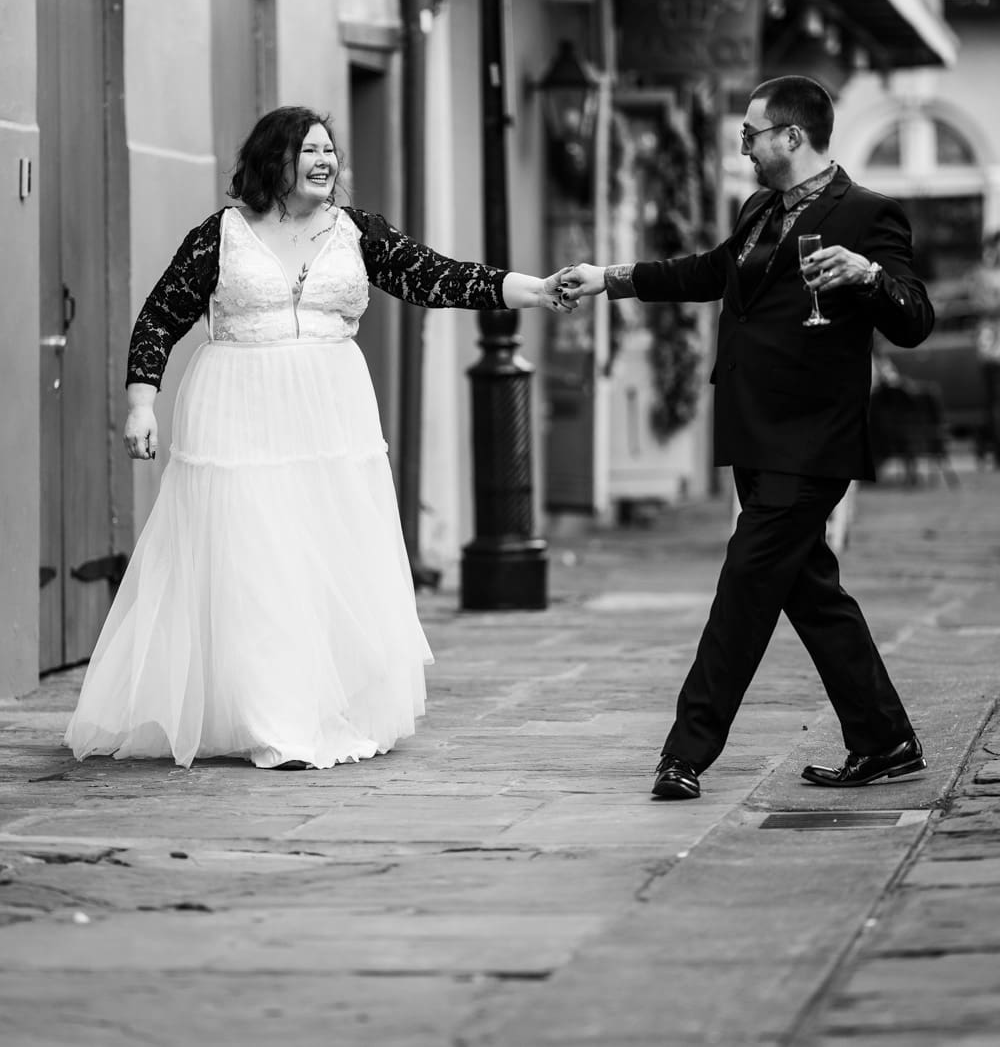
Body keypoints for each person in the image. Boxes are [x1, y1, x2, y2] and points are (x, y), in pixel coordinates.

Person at [66, 106, 576, 772]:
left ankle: (315, 707)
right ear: (273, 158)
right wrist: (141, 405)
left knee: (321, 556)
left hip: (331, 417)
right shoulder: (220, 235)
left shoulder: (356, 233)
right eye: (310, 148)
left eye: (330, 150)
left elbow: (438, 276)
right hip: (236, 412)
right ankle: (268, 717)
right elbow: (161, 316)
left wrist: (534, 290)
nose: (326, 160)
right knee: (252, 558)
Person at [560, 76, 934, 800]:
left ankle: (686, 753)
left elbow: (915, 318)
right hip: (754, 429)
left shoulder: (867, 214)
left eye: (753, 133)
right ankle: (885, 738)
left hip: (814, 437)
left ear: (792, 136)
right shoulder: (759, 207)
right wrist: (610, 278)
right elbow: (710, 271)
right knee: (808, 590)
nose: (745, 144)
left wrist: (869, 274)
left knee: (744, 589)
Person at [972, 229, 1000, 466]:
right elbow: (982, 305)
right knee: (993, 401)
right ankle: (989, 447)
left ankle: (984, 444)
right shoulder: (982, 275)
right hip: (992, 348)